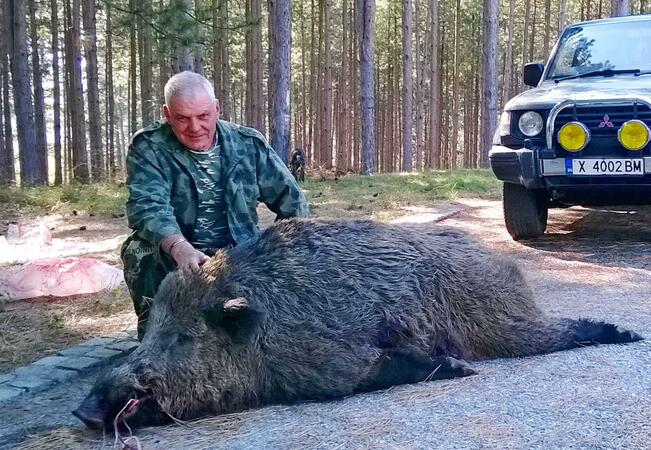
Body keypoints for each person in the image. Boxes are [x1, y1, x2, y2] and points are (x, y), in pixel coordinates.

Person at [121, 71, 309, 339]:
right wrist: (180, 248)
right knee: (140, 250)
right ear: (167, 114)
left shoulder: (247, 145)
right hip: (176, 249)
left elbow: (293, 204)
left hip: (238, 249)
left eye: (203, 116)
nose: (194, 128)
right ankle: (155, 338)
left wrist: (272, 252)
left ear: (217, 108)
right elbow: (147, 206)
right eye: (182, 119)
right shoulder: (150, 147)